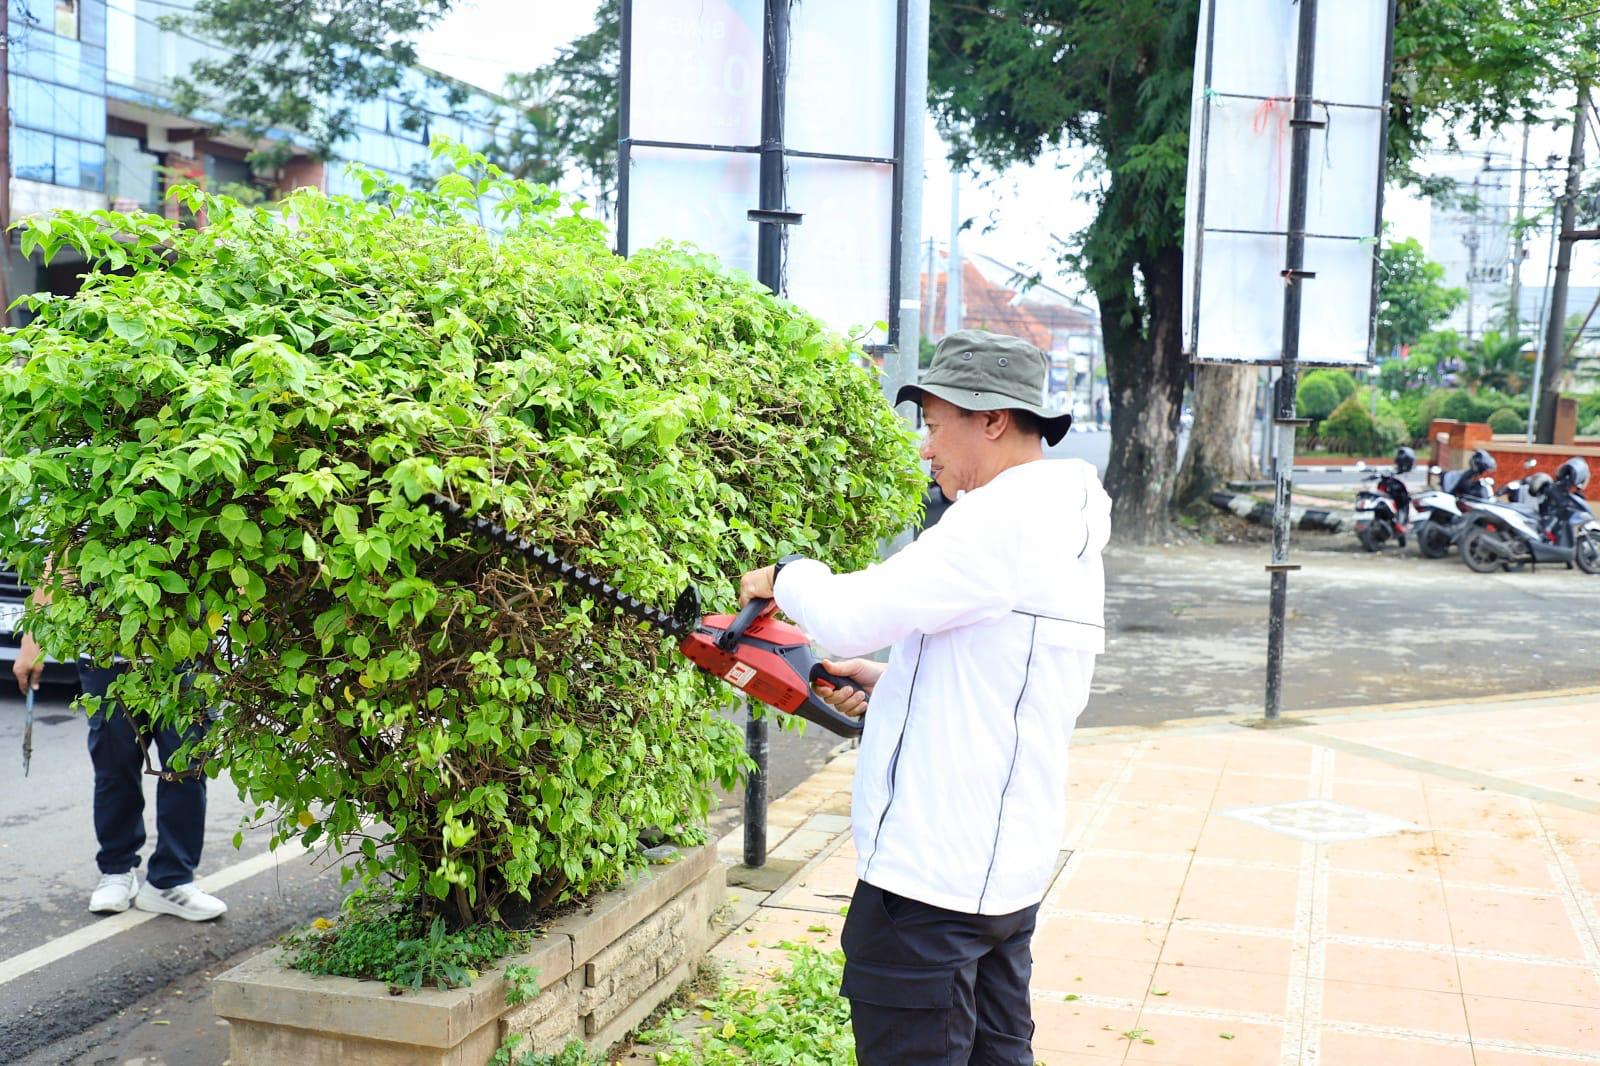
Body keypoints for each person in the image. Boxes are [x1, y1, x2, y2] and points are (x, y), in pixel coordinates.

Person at [739, 329, 1111, 1064]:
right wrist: (899, 684)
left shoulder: (1001, 520)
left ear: (993, 420)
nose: (925, 446)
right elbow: (1013, 675)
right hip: (1001, 876)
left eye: (936, 424)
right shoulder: (1062, 519)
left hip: (931, 889)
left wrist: (785, 575)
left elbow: (853, 612)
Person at [15, 582, 226, 921]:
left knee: (186, 767)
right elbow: (60, 563)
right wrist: (32, 641)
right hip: (105, 655)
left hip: (185, 654)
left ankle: (170, 882)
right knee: (114, 767)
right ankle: (117, 871)